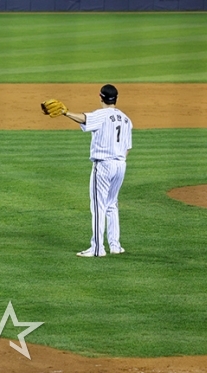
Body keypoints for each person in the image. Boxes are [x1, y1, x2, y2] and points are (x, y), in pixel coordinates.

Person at [43, 84, 133, 257]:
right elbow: (128, 147)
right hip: (121, 165)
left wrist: (66, 113)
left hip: (104, 165)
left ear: (100, 97)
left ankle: (98, 249)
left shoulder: (101, 115)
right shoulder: (126, 119)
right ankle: (115, 246)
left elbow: (84, 118)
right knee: (111, 204)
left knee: (98, 207)